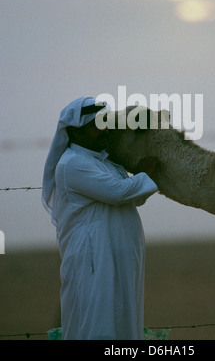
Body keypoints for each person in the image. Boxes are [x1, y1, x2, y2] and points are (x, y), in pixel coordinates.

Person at [42, 97, 159, 340]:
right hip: (94, 259)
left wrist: (139, 180)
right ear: (76, 131)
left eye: (106, 123)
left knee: (124, 320)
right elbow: (120, 192)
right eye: (97, 125)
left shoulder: (105, 162)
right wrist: (145, 175)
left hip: (120, 258)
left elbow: (134, 197)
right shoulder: (73, 164)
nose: (105, 130)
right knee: (96, 322)